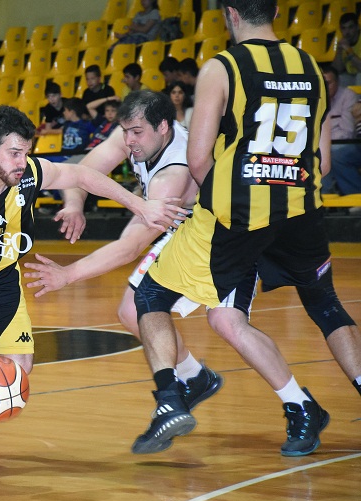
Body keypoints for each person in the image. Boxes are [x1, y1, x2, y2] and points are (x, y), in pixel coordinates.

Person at [133, 0, 361, 456]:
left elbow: (198, 158)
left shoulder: (223, 67)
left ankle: (170, 400)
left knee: (151, 295)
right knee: (323, 306)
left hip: (239, 216)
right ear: (275, 11)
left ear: (230, 14)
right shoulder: (311, 67)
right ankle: (305, 406)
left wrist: (227, 200)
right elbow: (323, 163)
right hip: (301, 211)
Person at [0, 105, 187, 467]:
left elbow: (83, 175)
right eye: (14, 153)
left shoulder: (28, 174)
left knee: (19, 371)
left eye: (26, 152)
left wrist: (141, 205)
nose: (22, 162)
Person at [24, 90, 223, 414]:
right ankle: (194, 377)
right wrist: (74, 205)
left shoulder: (173, 173)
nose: (129, 141)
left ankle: (190, 381)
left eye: (137, 132)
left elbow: (130, 248)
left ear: (162, 127)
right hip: (174, 225)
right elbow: (81, 173)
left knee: (138, 309)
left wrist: (68, 274)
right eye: (126, 131)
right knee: (133, 311)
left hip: (205, 233)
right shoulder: (134, 135)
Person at [321, 64, 361, 195]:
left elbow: (348, 132)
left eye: (329, 83)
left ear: (337, 82)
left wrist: (325, 142)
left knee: (332, 155)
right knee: (317, 154)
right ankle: (325, 195)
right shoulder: (316, 98)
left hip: (346, 143)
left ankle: (354, 195)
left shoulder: (348, 96)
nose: (325, 87)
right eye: (322, 83)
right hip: (327, 143)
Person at [44, 97, 99, 164]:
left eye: (65, 110)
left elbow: (98, 134)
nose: (63, 113)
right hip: (63, 154)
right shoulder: (67, 124)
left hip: (76, 157)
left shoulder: (86, 124)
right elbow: (60, 131)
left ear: (72, 112)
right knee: (42, 159)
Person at [332, 13, 361, 86]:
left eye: (350, 27)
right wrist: (339, 51)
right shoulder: (343, 42)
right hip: (351, 75)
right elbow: (337, 69)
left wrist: (349, 50)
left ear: (357, 27)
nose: (347, 32)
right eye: (343, 28)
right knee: (337, 79)